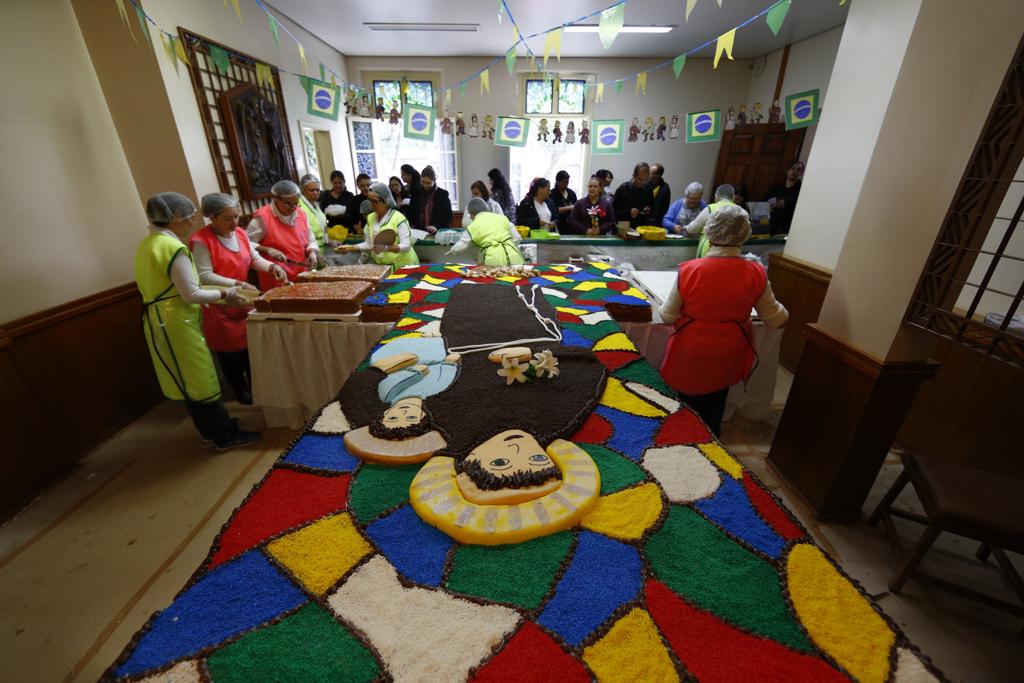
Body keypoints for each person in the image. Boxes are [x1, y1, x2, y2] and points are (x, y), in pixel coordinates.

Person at [135, 192, 260, 451]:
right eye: (190, 216)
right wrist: (226, 293)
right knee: (201, 377)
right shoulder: (173, 248)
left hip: (161, 319)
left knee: (187, 379)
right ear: (175, 217)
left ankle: (209, 429)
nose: (193, 220)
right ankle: (224, 435)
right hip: (176, 320)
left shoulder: (149, 244)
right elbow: (192, 293)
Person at [659, 205, 788, 436]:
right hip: (730, 350)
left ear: (709, 233)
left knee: (688, 405)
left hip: (692, 350)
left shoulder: (690, 270)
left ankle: (687, 442)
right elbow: (776, 319)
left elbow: (668, 315)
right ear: (744, 235)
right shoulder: (756, 272)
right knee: (716, 401)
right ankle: (712, 444)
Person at [190, 193, 287, 405]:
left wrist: (272, 267)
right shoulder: (202, 241)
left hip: (243, 301)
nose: (234, 222)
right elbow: (204, 275)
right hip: (220, 303)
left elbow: (254, 259)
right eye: (228, 218)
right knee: (229, 354)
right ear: (213, 217)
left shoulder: (240, 233)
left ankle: (256, 387)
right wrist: (237, 284)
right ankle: (239, 390)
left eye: (236, 216)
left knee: (249, 349)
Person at [247, 180, 319, 289]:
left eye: (296, 203)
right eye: (288, 203)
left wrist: (312, 252)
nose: (293, 207)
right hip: (276, 276)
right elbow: (247, 243)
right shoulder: (263, 217)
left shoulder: (301, 214)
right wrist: (268, 250)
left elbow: (310, 239)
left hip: (302, 271)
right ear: (276, 199)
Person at [336, 182, 419, 271]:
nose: (372, 205)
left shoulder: (398, 218)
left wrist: (386, 248)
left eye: (375, 201)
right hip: (385, 266)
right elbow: (369, 244)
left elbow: (406, 245)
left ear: (386, 201)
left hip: (403, 265)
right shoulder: (371, 218)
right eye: (370, 200)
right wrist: (351, 247)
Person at [448, 196, 524, 265]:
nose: (470, 217)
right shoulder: (502, 218)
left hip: (493, 261)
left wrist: (451, 251)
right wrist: (507, 245)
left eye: (469, 215)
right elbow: (517, 238)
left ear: (472, 213)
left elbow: (461, 245)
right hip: (515, 258)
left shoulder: (473, 226)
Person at [682, 184, 737, 258]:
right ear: (733, 197)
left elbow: (694, 228)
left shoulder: (711, 208)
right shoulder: (740, 210)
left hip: (710, 248)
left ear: (716, 196)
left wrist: (686, 227)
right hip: (732, 250)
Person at [613, 162, 656, 229]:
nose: (643, 182)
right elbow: (613, 212)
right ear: (634, 176)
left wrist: (649, 210)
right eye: (640, 179)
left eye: (646, 179)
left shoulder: (648, 188)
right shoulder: (623, 189)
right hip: (625, 227)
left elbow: (653, 208)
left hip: (642, 227)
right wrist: (628, 212)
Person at [766, 160, 804, 234]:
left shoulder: (801, 190)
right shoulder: (777, 187)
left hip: (785, 224)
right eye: (793, 168)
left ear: (800, 174)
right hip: (769, 221)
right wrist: (768, 206)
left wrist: (787, 202)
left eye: (798, 170)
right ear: (787, 171)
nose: (795, 171)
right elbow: (764, 200)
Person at [298, 174, 328, 248]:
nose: (315, 193)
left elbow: (322, 226)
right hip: (309, 249)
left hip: (321, 246)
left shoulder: (316, 205)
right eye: (311, 190)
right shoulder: (299, 206)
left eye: (317, 190)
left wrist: (328, 240)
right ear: (302, 190)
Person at [420, 165, 453, 233]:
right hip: (421, 232)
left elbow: (448, 217)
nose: (425, 185)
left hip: (438, 231)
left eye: (428, 183)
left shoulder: (443, 194)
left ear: (434, 180)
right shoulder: (417, 193)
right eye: (423, 182)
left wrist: (436, 227)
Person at [400, 164, 425, 229]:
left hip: (418, 221)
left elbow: (416, 208)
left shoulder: (416, 188)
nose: (401, 177)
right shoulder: (411, 186)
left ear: (410, 174)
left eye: (403, 174)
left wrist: (411, 223)